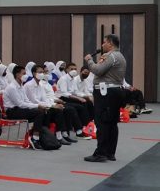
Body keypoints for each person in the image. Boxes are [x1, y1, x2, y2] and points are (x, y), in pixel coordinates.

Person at [84, 34, 127, 163]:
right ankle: (110, 152)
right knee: (112, 123)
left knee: (102, 122)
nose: (102, 45)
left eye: (104, 42)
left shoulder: (110, 56)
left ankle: (101, 153)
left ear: (110, 43)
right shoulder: (120, 56)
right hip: (114, 91)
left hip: (105, 93)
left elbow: (98, 70)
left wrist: (89, 60)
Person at [24, 65, 75, 146]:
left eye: (43, 72)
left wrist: (54, 105)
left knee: (59, 111)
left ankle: (59, 136)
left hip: (43, 106)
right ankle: (43, 136)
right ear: (34, 73)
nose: (42, 74)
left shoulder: (40, 85)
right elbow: (34, 101)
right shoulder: (29, 85)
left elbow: (45, 99)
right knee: (47, 111)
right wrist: (51, 106)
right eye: (40, 72)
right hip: (32, 107)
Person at [3, 65, 49, 150]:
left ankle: (42, 137)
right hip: (12, 111)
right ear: (17, 74)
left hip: (20, 109)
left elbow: (26, 101)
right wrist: (37, 106)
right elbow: (20, 104)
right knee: (39, 112)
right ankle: (35, 139)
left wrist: (38, 106)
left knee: (43, 111)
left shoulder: (21, 86)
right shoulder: (12, 87)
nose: (26, 75)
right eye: (23, 73)